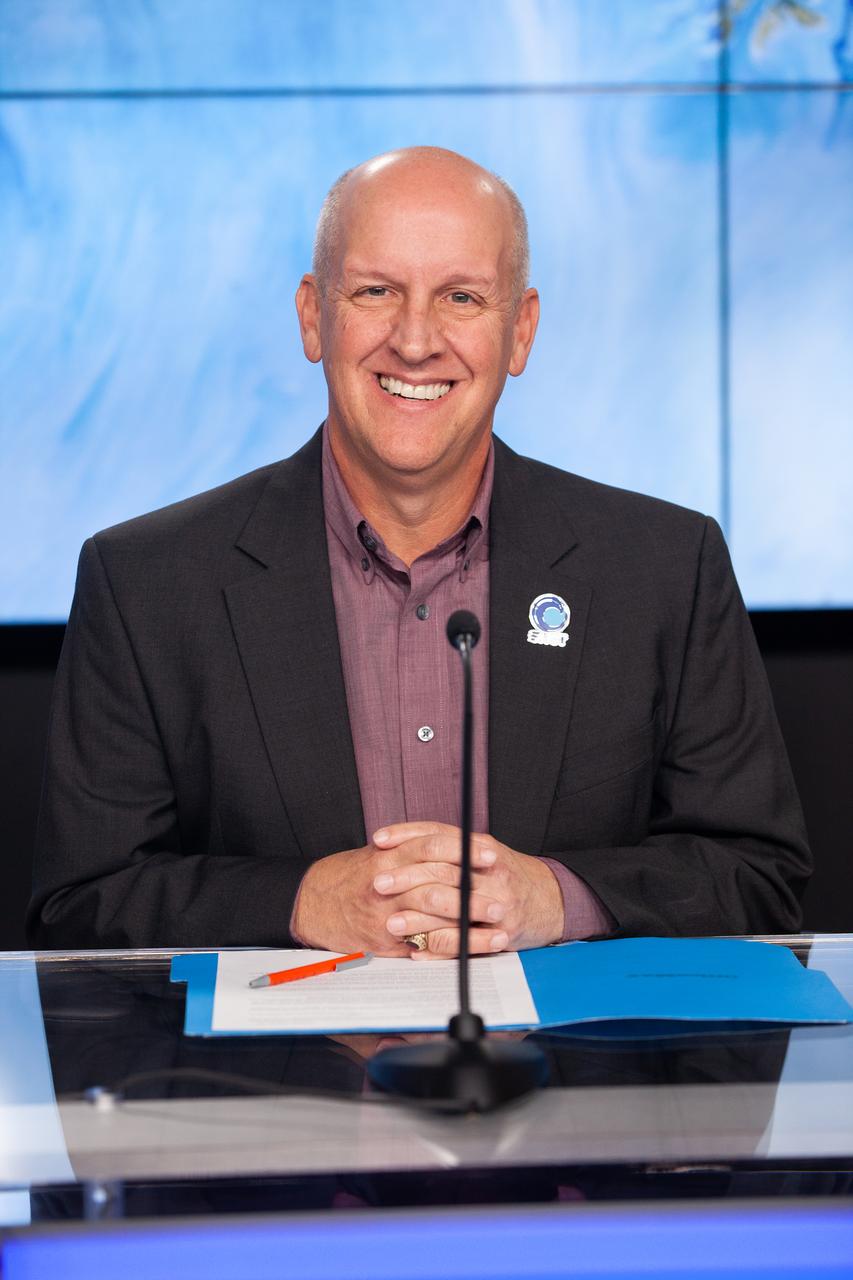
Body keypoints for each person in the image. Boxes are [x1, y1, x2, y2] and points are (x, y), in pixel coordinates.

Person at [29, 147, 811, 956]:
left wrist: (557, 899)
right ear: (312, 316)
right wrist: (298, 902)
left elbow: (758, 877)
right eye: (375, 292)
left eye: (461, 297)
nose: (413, 341)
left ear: (520, 331)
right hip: (287, 1041)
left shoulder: (664, 567)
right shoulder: (145, 582)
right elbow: (79, 904)